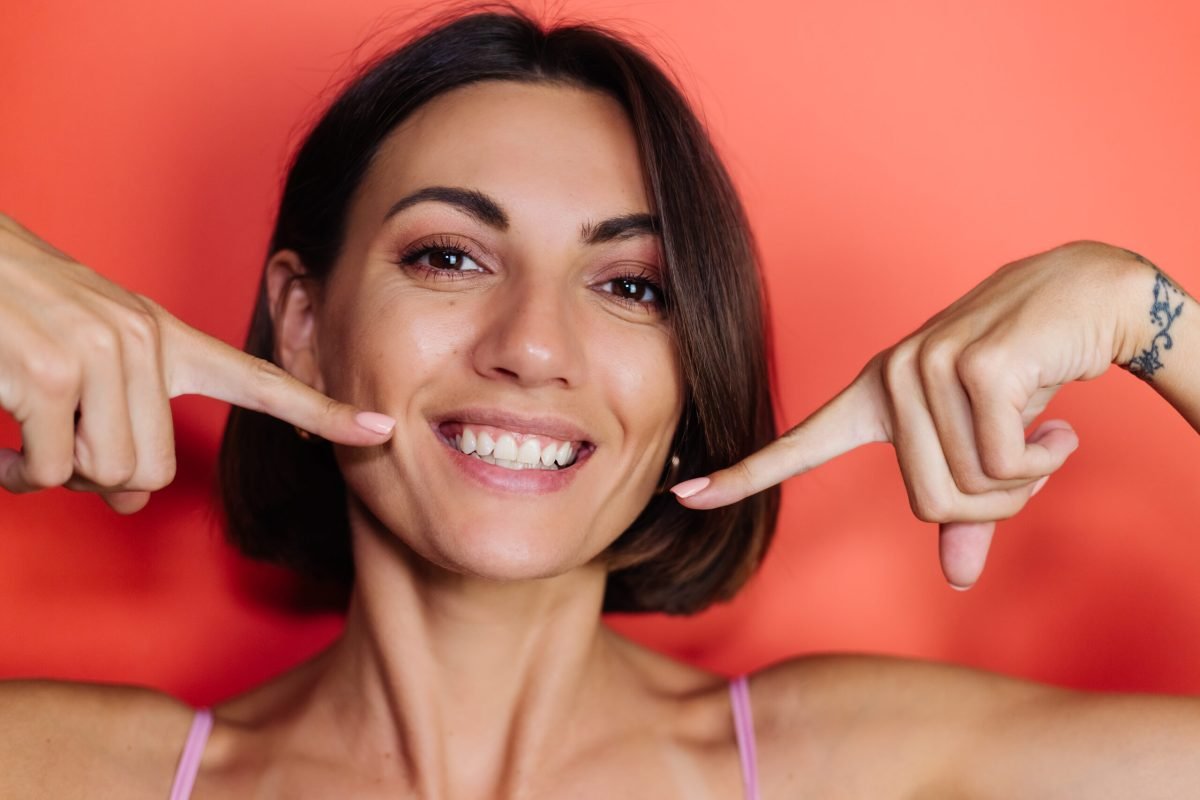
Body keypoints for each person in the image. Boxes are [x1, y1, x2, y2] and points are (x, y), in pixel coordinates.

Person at [1, 7, 1198, 798]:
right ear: (305, 326)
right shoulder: (73, 769)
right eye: (449, 257)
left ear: (688, 379)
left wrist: (1146, 313)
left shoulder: (862, 770)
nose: (532, 345)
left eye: (629, 284)